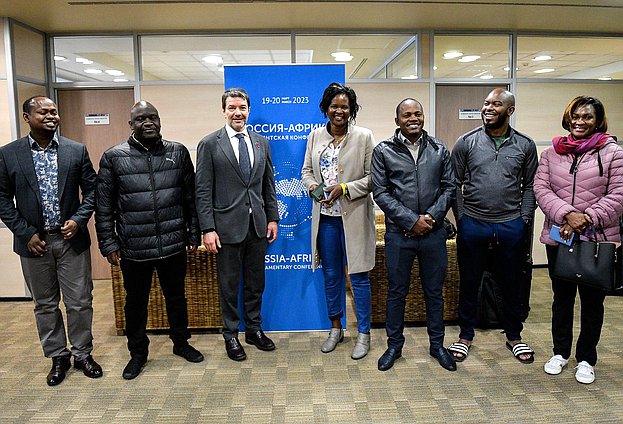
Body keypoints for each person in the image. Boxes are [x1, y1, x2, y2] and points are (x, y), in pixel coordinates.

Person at [95, 101, 203, 380]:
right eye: (141, 119)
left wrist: (194, 233)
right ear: (131, 125)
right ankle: (138, 354)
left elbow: (190, 197)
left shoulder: (177, 152)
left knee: (177, 298)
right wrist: (108, 243)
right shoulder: (113, 157)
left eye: (153, 117)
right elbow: (104, 206)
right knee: (136, 303)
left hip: (173, 242)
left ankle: (181, 343)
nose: (149, 122)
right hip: (134, 247)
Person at [0, 96, 101, 386]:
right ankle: (58, 356)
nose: (50, 116)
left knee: (80, 301)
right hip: (34, 244)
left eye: (54, 112)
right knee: (45, 304)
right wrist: (25, 233)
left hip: (71, 240)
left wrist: (79, 219)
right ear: (26, 117)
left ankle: (82, 353)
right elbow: (3, 199)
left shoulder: (75, 151)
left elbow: (92, 191)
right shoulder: (9, 154)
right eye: (43, 112)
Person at [534, 96, 623, 384]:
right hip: (559, 236)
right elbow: (541, 188)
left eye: (587, 117)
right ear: (567, 118)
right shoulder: (551, 153)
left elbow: (619, 195)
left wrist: (586, 218)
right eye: (575, 116)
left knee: (592, 302)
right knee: (561, 300)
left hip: (596, 239)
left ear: (598, 120)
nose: (579, 121)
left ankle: (586, 358)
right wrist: (567, 214)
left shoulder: (612, 153)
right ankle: (560, 352)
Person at [449, 88, 538, 364]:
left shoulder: (525, 145)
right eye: (486, 103)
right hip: (473, 223)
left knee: (512, 283)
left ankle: (514, 336)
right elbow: (454, 183)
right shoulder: (466, 142)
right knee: (470, 282)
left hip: (511, 225)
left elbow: (531, 186)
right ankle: (465, 335)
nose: (488, 108)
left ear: (510, 111)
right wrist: (462, 218)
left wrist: (523, 219)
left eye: (496, 104)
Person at [371, 98, 456, 371]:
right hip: (400, 235)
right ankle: (394, 346)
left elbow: (449, 187)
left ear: (423, 117)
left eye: (417, 113)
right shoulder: (383, 151)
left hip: (433, 233)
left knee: (434, 293)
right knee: (396, 293)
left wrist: (430, 218)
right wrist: (411, 220)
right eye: (406, 115)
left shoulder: (439, 148)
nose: (413, 118)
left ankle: (437, 346)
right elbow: (380, 192)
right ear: (397, 120)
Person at [195, 88, 279, 361]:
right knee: (229, 287)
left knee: (256, 284)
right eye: (231, 108)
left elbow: (268, 185)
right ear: (223, 111)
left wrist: (273, 217)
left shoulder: (261, 142)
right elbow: (202, 190)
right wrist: (207, 228)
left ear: (248, 110)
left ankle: (253, 329)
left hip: (257, 226)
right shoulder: (209, 144)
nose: (237, 112)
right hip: (225, 229)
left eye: (241, 107)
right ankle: (231, 335)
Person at [301, 82, 376, 360]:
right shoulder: (314, 136)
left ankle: (364, 334)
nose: (339, 111)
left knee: (358, 276)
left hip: (354, 216)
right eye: (334, 106)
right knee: (331, 275)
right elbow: (306, 171)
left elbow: (372, 178)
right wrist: (313, 188)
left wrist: (344, 189)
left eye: (344, 107)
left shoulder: (364, 137)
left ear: (351, 109)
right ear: (326, 108)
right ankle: (336, 328)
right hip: (326, 220)